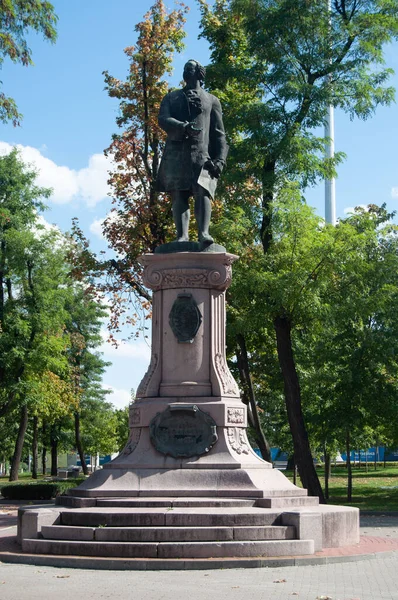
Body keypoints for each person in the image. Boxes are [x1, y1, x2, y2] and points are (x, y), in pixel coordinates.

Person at [157, 59, 228, 245]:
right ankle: (182, 236)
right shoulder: (171, 98)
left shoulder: (212, 100)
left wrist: (220, 159)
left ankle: (204, 233)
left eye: (191, 68)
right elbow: (163, 119)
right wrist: (181, 126)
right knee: (179, 194)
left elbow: (219, 133)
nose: (187, 70)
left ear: (199, 73)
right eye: (185, 68)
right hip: (176, 154)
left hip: (202, 154)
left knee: (202, 191)